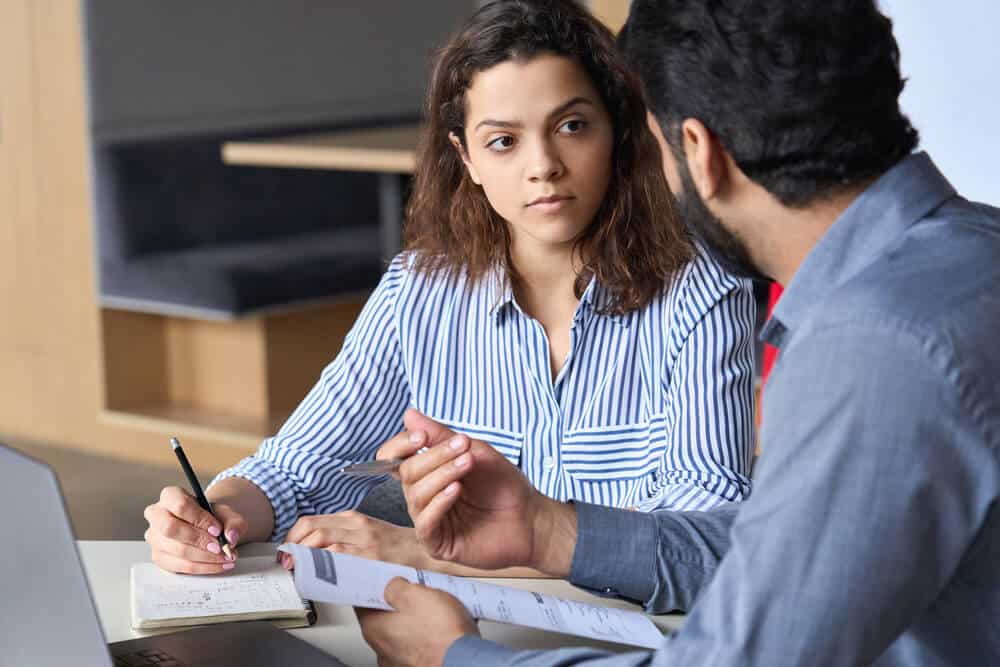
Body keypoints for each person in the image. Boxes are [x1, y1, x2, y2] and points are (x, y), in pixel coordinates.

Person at [356, 0, 1000, 665]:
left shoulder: (872, 352)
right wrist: (550, 529)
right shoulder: (972, 256)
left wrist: (452, 656)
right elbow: (777, 560)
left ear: (698, 151)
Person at [142, 0, 757, 576]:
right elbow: (298, 467)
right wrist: (216, 514)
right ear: (467, 159)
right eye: (503, 141)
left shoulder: (701, 293)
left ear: (617, 132)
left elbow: (702, 544)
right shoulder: (420, 291)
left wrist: (432, 556)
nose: (543, 164)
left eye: (571, 125)